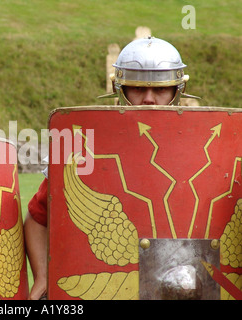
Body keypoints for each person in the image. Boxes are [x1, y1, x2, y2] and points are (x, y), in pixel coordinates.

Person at [24, 36, 199, 300]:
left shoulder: (204, 146)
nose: (149, 100)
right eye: (137, 89)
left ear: (179, 90)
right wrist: (43, 276)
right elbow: (38, 218)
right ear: (118, 88)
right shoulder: (86, 148)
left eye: (160, 90)